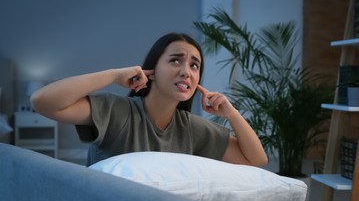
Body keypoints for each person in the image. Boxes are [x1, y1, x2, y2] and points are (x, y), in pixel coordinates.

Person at [31, 33, 268, 167]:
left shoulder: (191, 128)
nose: (187, 71)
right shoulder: (117, 111)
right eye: (176, 60)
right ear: (152, 69)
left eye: (194, 65)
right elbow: (42, 101)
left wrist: (231, 114)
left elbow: (256, 160)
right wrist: (114, 75)